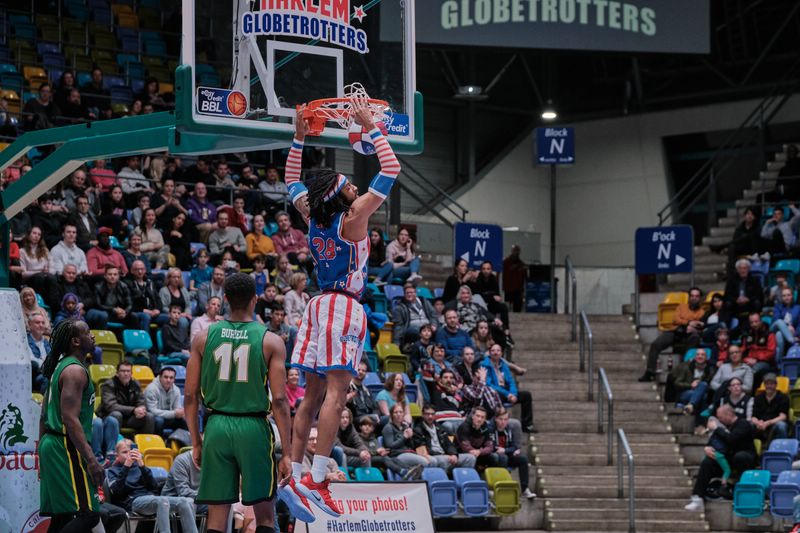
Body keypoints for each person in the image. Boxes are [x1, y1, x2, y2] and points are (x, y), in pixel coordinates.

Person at [281, 99, 401, 518]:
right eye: (350, 183)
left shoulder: (313, 214)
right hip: (342, 306)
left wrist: (299, 136)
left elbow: (291, 180)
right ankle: (316, 477)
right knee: (337, 393)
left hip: (316, 305)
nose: (355, 185)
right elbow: (391, 170)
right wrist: (370, 127)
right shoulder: (353, 218)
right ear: (342, 195)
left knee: (310, 397)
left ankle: (294, 476)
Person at [184, 273, 295, 532]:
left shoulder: (202, 338)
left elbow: (190, 396)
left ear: (225, 300)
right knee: (265, 516)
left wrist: (196, 441)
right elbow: (279, 399)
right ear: (255, 300)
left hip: (217, 427)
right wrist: (287, 453)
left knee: (217, 518)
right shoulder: (271, 340)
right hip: (253, 427)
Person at [38, 319, 104, 532]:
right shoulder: (75, 371)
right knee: (89, 514)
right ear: (76, 341)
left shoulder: (60, 366)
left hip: (52, 443)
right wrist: (91, 460)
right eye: (88, 333)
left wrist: (40, 452)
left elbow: (42, 415)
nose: (92, 336)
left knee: (63, 517)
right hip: (65, 446)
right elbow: (70, 418)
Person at [107, 439, 198, 533]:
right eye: (124, 452)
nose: (129, 455)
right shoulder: (112, 471)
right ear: (117, 456)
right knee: (162, 500)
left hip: (150, 499)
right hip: (133, 501)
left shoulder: (140, 467)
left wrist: (142, 466)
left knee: (186, 501)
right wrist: (126, 467)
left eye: (131, 451)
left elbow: (154, 487)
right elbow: (116, 492)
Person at [685, 404, 756, 512]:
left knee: (739, 456)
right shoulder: (724, 428)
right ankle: (697, 498)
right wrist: (707, 448)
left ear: (729, 414)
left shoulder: (743, 424)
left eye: (721, 417)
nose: (719, 420)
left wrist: (717, 428)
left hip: (745, 458)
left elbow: (732, 440)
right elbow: (714, 442)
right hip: (728, 460)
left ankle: (741, 492)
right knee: (708, 462)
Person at [639, 287, 705, 382]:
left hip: (690, 335)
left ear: (700, 298)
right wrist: (689, 322)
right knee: (655, 344)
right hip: (676, 332)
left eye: (697, 296)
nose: (694, 298)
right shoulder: (681, 307)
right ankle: (650, 372)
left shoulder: (702, 312)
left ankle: (684, 373)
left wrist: (690, 325)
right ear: (689, 297)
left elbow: (699, 325)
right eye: (692, 296)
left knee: (694, 340)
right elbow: (675, 320)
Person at [483, 343, 536, 433]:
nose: (496, 353)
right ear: (489, 353)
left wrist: (513, 394)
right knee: (497, 394)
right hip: (495, 391)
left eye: (498, 350)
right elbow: (489, 384)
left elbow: (511, 381)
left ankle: (527, 425)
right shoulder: (484, 365)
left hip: (507, 390)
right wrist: (508, 395)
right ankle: (497, 424)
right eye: (493, 350)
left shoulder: (504, 365)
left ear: (502, 353)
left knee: (526, 395)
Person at [413, 404, 476, 471]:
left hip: (446, 455)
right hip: (433, 457)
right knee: (445, 460)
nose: (430, 416)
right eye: (427, 414)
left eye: (432, 414)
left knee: (470, 458)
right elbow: (423, 450)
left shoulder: (440, 428)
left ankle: (463, 479)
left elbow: (449, 444)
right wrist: (443, 455)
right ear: (422, 415)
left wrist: (454, 454)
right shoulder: (418, 430)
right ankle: (444, 481)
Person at [490, 408, 536, 499]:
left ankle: (524, 489)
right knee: (503, 458)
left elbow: (515, 446)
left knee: (523, 459)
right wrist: (507, 450)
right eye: (501, 419)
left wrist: (506, 450)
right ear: (495, 419)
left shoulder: (509, 428)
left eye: (505, 419)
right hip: (493, 456)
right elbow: (491, 446)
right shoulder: (490, 429)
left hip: (506, 454)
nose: (503, 422)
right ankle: (501, 488)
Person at [666, 348, 714, 420]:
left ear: (706, 358)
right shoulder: (687, 367)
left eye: (702, 355)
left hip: (701, 393)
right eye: (698, 354)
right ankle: (698, 422)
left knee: (703, 387)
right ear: (695, 357)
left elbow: (710, 386)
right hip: (686, 392)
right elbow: (677, 383)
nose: (700, 356)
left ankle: (690, 406)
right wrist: (690, 385)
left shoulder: (710, 370)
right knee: (702, 397)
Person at [382, 403, 429, 472]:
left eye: (400, 412)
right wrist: (404, 437)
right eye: (396, 412)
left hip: (409, 452)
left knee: (432, 461)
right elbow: (390, 446)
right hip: (397, 455)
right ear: (392, 415)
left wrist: (410, 437)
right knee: (424, 462)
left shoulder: (405, 427)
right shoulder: (388, 427)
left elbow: (411, 446)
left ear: (403, 414)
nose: (398, 414)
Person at [144, 366, 187, 437]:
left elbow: (177, 409)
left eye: (171, 378)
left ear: (174, 379)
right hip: (151, 418)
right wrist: (174, 413)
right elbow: (152, 411)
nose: (168, 380)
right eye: (166, 377)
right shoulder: (151, 389)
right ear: (160, 377)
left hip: (167, 417)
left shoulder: (176, 390)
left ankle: (180, 442)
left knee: (183, 420)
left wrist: (181, 413)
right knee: (159, 421)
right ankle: (159, 443)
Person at [392, 283, 438, 348]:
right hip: (412, 328)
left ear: (415, 293)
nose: (409, 294)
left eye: (411, 292)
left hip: (428, 325)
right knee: (419, 331)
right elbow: (399, 325)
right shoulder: (400, 307)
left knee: (440, 330)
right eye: (407, 293)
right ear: (404, 294)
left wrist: (434, 324)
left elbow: (433, 314)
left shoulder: (424, 301)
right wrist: (396, 342)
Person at [161, 450, 206, 515]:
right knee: (214, 506)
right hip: (173, 501)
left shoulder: (210, 461)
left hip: (196, 500)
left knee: (221, 504)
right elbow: (184, 492)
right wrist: (207, 496)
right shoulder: (181, 461)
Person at [720, 259, 763, 327]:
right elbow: (727, 295)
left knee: (757, 303)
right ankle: (725, 326)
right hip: (735, 304)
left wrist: (748, 299)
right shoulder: (732, 280)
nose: (743, 270)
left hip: (749, 304)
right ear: (737, 270)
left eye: (745, 268)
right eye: (740, 268)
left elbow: (759, 295)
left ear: (748, 269)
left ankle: (755, 321)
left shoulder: (754, 280)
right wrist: (736, 300)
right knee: (727, 303)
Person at [751, 373, 789, 446]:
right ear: (764, 385)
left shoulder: (783, 397)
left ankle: (783, 447)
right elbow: (753, 417)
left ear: (776, 385)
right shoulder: (758, 397)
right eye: (767, 384)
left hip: (774, 422)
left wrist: (768, 423)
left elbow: (783, 416)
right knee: (749, 425)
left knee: (781, 425)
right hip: (761, 424)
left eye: (771, 384)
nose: (769, 386)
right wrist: (758, 423)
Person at [741, 312, 777, 388]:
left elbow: (771, 353)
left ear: (761, 321)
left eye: (756, 321)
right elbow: (743, 351)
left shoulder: (769, 334)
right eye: (752, 322)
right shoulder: (747, 335)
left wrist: (756, 360)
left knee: (751, 372)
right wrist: (745, 359)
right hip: (748, 361)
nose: (754, 324)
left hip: (765, 363)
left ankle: (748, 393)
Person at [772, 287, 800, 360]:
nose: (786, 297)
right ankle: (793, 341)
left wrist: (796, 334)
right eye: (784, 296)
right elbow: (776, 319)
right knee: (780, 322)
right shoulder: (778, 307)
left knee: (779, 335)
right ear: (781, 297)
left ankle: (779, 362)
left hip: (789, 333)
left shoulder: (798, 308)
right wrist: (787, 326)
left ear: (792, 296)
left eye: (788, 295)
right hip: (775, 328)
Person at [28, 311, 51, 392]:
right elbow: (31, 361)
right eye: (37, 323)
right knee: (46, 378)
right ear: (30, 325)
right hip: (34, 377)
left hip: (48, 372)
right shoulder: (25, 342)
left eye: (43, 323)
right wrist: (44, 363)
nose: (41, 325)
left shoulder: (47, 342)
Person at [502, 245, 526, 312]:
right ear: (512, 251)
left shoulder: (521, 264)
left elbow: (524, 276)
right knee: (508, 306)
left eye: (517, 251)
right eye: (514, 250)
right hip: (508, 288)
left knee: (517, 307)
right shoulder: (506, 262)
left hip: (518, 289)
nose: (516, 252)